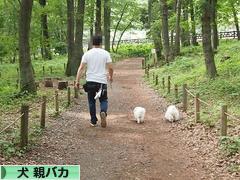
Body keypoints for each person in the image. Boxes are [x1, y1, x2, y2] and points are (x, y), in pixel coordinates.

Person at [75, 35, 113, 127]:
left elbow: (81, 68)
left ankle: (93, 120)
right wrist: (110, 76)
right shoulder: (105, 53)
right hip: (101, 82)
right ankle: (103, 111)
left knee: (91, 101)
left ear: (92, 43)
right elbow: (111, 68)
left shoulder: (87, 54)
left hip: (90, 81)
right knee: (104, 100)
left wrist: (77, 81)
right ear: (101, 43)